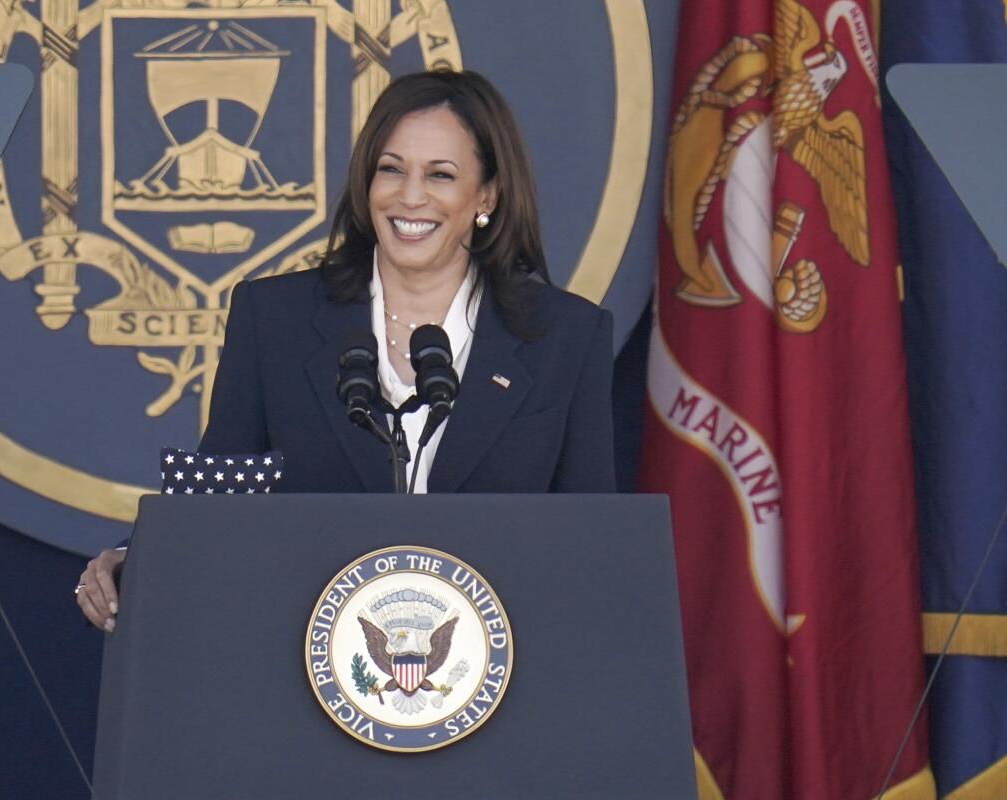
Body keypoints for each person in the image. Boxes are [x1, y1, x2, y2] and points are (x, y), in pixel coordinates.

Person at [77, 69, 615, 631]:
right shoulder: (275, 320)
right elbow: (218, 501)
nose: (410, 196)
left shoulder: (565, 337)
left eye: (440, 174)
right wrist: (136, 559)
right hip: (308, 667)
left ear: (486, 194)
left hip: (501, 673)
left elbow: (592, 543)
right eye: (391, 169)